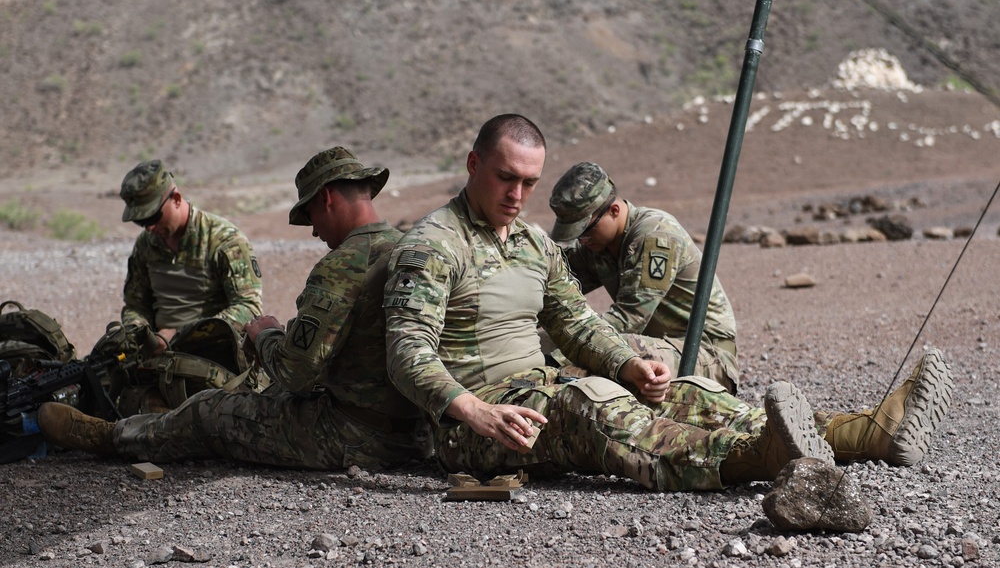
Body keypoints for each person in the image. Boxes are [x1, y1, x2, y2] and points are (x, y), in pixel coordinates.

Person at [382, 114, 953, 492]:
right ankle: (762, 457)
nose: (517, 195)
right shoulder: (434, 245)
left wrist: (629, 364)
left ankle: (866, 434)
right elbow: (407, 353)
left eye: (529, 183)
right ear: (473, 165)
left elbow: (577, 322)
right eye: (506, 178)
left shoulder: (532, 245)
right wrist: (475, 411)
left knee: (686, 392)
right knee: (595, 406)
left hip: (535, 390)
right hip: (478, 427)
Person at [38, 147, 432, 470]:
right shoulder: (411, 249)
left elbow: (295, 374)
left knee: (210, 411)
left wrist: (267, 335)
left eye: (310, 216)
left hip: (352, 436)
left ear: (325, 197)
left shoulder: (342, 264)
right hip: (412, 433)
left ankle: (113, 438)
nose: (313, 231)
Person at [547, 162, 739, 392]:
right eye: (577, 235)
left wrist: (555, 358)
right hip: (658, 349)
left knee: (608, 349)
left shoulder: (654, 236)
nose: (582, 240)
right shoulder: (599, 246)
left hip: (704, 355)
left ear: (614, 211)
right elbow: (555, 286)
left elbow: (629, 318)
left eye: (585, 231)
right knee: (549, 339)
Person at [117, 159, 263, 348]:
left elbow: (249, 308)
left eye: (153, 217)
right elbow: (135, 305)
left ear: (176, 199)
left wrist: (183, 336)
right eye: (141, 221)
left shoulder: (224, 240)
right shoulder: (146, 244)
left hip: (215, 356)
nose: (150, 227)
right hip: (160, 355)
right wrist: (139, 334)